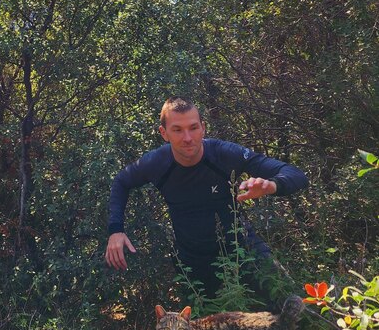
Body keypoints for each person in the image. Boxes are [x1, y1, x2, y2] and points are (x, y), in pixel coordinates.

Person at [105, 97, 309, 297]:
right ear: (164, 133)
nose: (187, 137)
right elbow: (121, 182)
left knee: (292, 307)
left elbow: (296, 175)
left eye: (193, 128)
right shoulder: (156, 162)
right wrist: (116, 230)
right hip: (193, 262)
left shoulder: (224, 154)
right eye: (177, 130)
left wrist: (271, 185)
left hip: (243, 249)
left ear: (203, 128)